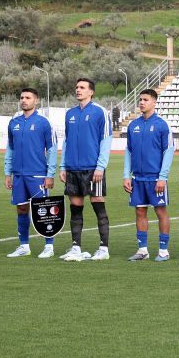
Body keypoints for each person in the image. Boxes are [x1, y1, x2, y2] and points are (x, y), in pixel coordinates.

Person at [59, 78, 112, 261]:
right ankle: (76, 247)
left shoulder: (100, 112)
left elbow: (106, 140)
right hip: (72, 168)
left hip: (92, 169)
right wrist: (63, 166)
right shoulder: (70, 114)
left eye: (82, 87)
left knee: (98, 206)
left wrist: (100, 166)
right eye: (76, 87)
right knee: (75, 208)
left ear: (91, 92)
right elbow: (66, 141)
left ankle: (103, 248)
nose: (78, 90)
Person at [4, 88, 57, 258]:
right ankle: (24, 246)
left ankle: (49, 246)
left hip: (38, 174)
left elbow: (52, 149)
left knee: (43, 210)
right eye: (21, 97)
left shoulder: (44, 122)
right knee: (21, 209)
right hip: (19, 175)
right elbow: (10, 149)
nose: (24, 100)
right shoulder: (14, 122)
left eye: (28, 97)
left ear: (36, 101)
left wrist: (50, 174)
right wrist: (8, 173)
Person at [123, 89, 173, 262]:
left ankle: (164, 251)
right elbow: (129, 151)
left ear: (154, 102)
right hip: (137, 178)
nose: (142, 102)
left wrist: (162, 177)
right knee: (140, 211)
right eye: (140, 100)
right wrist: (126, 175)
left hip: (155, 178)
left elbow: (168, 151)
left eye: (146, 99)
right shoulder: (133, 125)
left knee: (160, 211)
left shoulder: (162, 125)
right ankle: (142, 250)